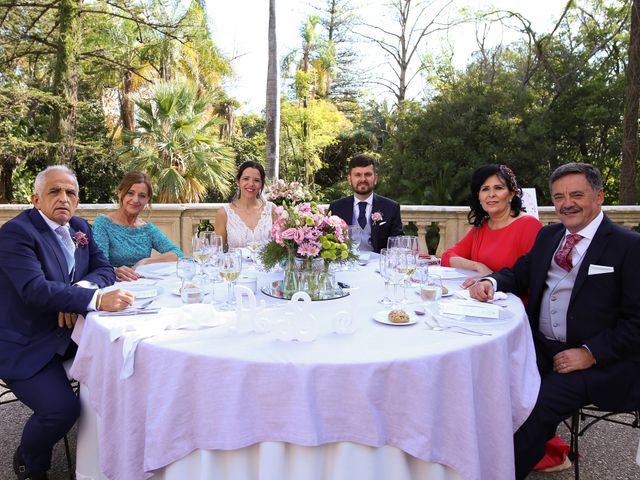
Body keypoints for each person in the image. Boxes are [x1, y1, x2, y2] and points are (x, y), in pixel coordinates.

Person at [469, 162, 640, 479]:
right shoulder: (549, 236)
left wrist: (590, 353)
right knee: (481, 377)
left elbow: (637, 322)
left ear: (599, 196)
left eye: (577, 194)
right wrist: (490, 283)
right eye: (559, 197)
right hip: (541, 347)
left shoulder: (628, 246)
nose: (567, 203)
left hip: (599, 363)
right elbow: (519, 273)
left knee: (532, 411)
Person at [0, 166, 135, 480]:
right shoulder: (16, 234)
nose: (64, 198)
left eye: (70, 192)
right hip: (27, 343)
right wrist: (96, 300)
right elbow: (34, 290)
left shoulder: (80, 227)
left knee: (126, 367)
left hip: (72, 337)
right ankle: (30, 460)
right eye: (54, 191)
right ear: (36, 199)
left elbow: (104, 269)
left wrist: (80, 291)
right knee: (61, 410)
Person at [441, 164, 542, 287]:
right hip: (483, 299)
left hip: (513, 301)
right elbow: (447, 257)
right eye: (485, 189)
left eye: (498, 188)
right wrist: (478, 266)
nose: (491, 194)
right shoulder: (482, 227)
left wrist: (492, 278)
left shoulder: (529, 226)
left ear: (511, 194)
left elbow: (533, 277)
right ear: (479, 197)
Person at [93, 171, 182, 281]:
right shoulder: (104, 223)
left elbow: (177, 254)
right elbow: (99, 263)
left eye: (142, 196)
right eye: (130, 193)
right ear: (121, 193)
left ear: (147, 199)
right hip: (114, 285)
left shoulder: (147, 229)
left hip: (143, 284)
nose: (135, 200)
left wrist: (145, 262)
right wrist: (115, 270)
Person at [329, 154, 403, 253]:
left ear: (375, 178)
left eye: (368, 174)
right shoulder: (336, 208)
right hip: (346, 265)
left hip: (378, 264)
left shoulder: (391, 207)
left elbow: (397, 243)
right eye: (358, 175)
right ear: (349, 179)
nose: (363, 179)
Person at [215, 160, 274, 249]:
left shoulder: (272, 210)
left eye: (256, 180)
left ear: (261, 184)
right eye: (246, 178)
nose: (251, 184)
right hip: (235, 263)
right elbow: (217, 252)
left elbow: (282, 249)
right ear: (238, 182)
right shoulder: (224, 213)